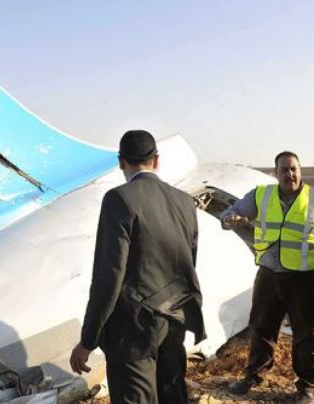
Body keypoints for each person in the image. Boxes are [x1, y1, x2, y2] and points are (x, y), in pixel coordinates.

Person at [69, 130, 205, 404]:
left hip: (133, 329)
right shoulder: (183, 201)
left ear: (121, 162)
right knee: (173, 397)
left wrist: (88, 339)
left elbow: (109, 274)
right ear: (157, 159)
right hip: (174, 320)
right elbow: (189, 261)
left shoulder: (119, 199)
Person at [223, 151, 314, 404]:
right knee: (261, 328)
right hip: (269, 276)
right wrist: (230, 218)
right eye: (284, 170)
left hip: (304, 279)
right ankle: (253, 376)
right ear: (276, 173)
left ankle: (307, 386)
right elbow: (233, 213)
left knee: (307, 333)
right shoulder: (261, 195)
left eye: (293, 169)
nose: (290, 174)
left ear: (300, 171)